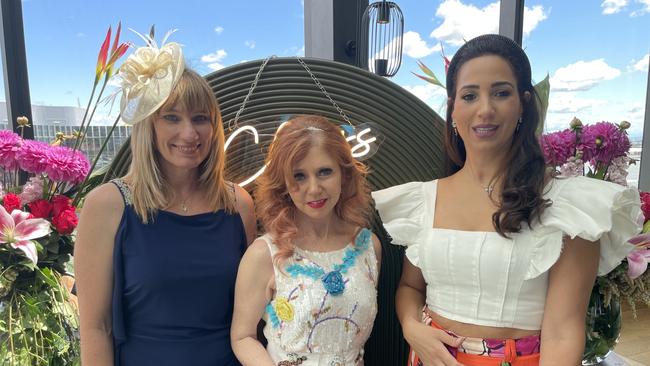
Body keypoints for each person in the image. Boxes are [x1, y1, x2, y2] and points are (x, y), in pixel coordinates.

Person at [372, 34, 642, 366]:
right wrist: (412, 327)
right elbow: (410, 288)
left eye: (501, 93)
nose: (485, 109)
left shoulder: (569, 204)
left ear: (523, 104)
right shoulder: (423, 199)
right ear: (453, 108)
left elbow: (563, 331)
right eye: (470, 95)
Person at [74, 38, 256, 366]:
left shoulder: (238, 204)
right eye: (171, 117)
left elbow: (252, 318)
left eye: (200, 118)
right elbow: (95, 327)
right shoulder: (107, 205)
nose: (189, 133)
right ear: (149, 125)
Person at [230, 115, 382, 365]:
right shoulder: (264, 253)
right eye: (299, 176)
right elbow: (242, 337)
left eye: (324, 172)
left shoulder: (368, 247)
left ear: (344, 174)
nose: (313, 189)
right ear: (284, 183)